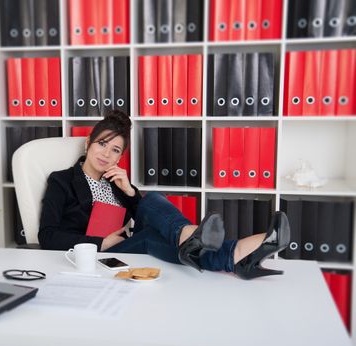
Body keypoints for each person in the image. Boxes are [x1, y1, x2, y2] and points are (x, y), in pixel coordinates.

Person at [38, 110, 290, 279]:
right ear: (88, 143)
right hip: (98, 254)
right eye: (102, 144)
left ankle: (212, 248)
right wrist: (101, 242)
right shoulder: (61, 180)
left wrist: (129, 191)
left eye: (115, 150)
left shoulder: (116, 181)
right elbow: (47, 236)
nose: (106, 154)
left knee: (153, 199)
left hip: (128, 244)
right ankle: (228, 251)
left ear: (120, 156)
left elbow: (147, 215)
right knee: (149, 236)